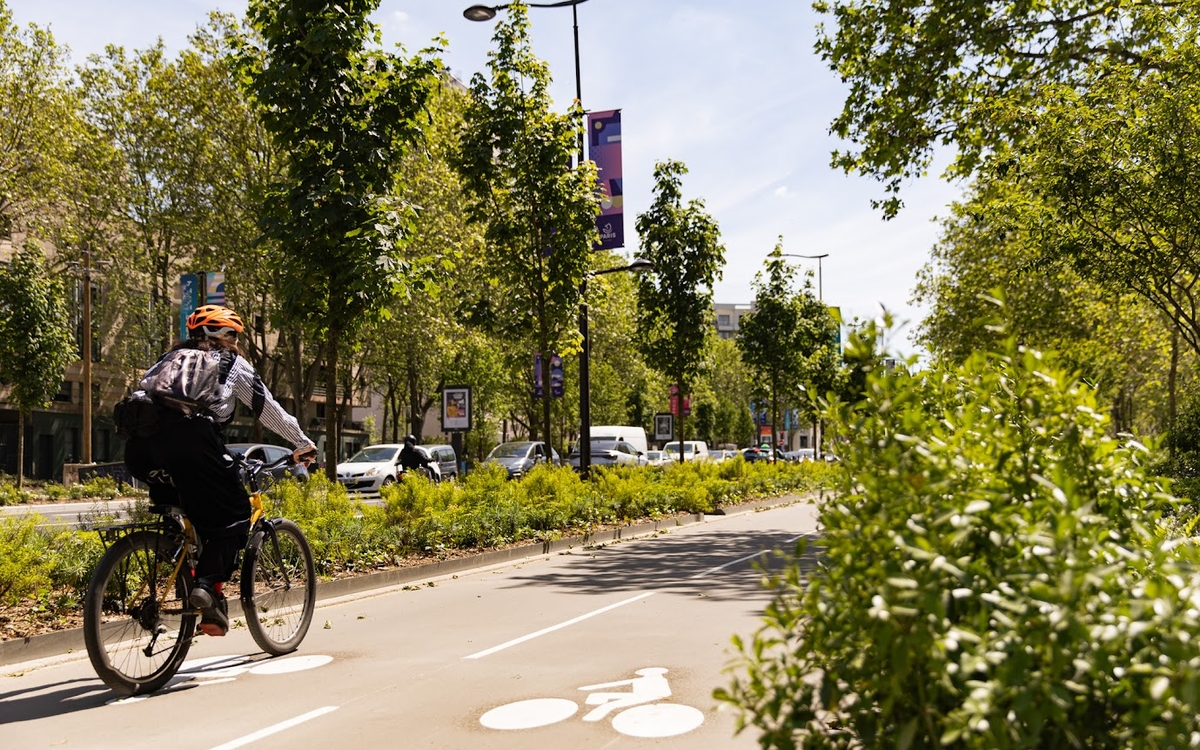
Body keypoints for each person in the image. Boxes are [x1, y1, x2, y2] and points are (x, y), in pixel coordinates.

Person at [124, 305, 317, 637]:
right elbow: (267, 408)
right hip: (192, 443)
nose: (237, 343)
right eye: (235, 336)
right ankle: (206, 587)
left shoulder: (169, 358)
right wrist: (302, 443)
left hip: (140, 448)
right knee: (235, 513)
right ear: (226, 336)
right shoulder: (230, 362)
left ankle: (182, 573)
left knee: (189, 511)